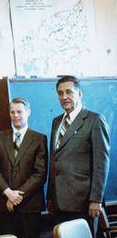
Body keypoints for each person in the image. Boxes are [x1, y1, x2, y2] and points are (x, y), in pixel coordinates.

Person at [47, 75, 110, 236]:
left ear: (79, 93)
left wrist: (96, 199)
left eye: (69, 92)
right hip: (58, 203)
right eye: (60, 93)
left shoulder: (94, 120)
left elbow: (101, 164)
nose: (64, 97)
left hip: (84, 203)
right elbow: (54, 161)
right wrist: (50, 196)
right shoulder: (56, 122)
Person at [0, 97, 47, 238]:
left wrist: (17, 196)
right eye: (12, 112)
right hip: (5, 205)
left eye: (19, 112)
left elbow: (40, 173)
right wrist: (8, 192)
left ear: (28, 112)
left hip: (30, 206)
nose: (15, 116)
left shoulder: (39, 139)